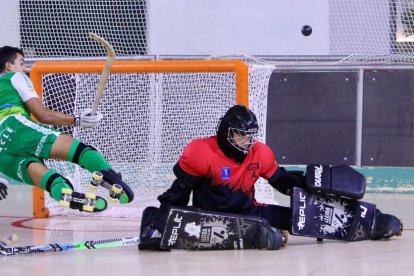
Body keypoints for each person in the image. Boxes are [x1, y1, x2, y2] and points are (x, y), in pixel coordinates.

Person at [138, 104, 402, 250]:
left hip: (250, 212)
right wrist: (164, 222)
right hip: (209, 217)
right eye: (240, 134)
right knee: (269, 237)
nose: (246, 140)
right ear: (226, 132)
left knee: (299, 219)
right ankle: (262, 236)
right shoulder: (201, 151)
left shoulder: (260, 153)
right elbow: (179, 191)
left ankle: (371, 222)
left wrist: (313, 185)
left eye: (250, 135)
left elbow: (282, 182)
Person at [0, 46, 134, 212]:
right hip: (14, 127)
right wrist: (78, 120)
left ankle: (68, 195)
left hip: (2, 155)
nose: (25, 68)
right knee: (83, 151)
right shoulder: (15, 77)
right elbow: (43, 116)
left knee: (53, 182)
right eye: (21, 63)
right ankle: (112, 179)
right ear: (8, 66)